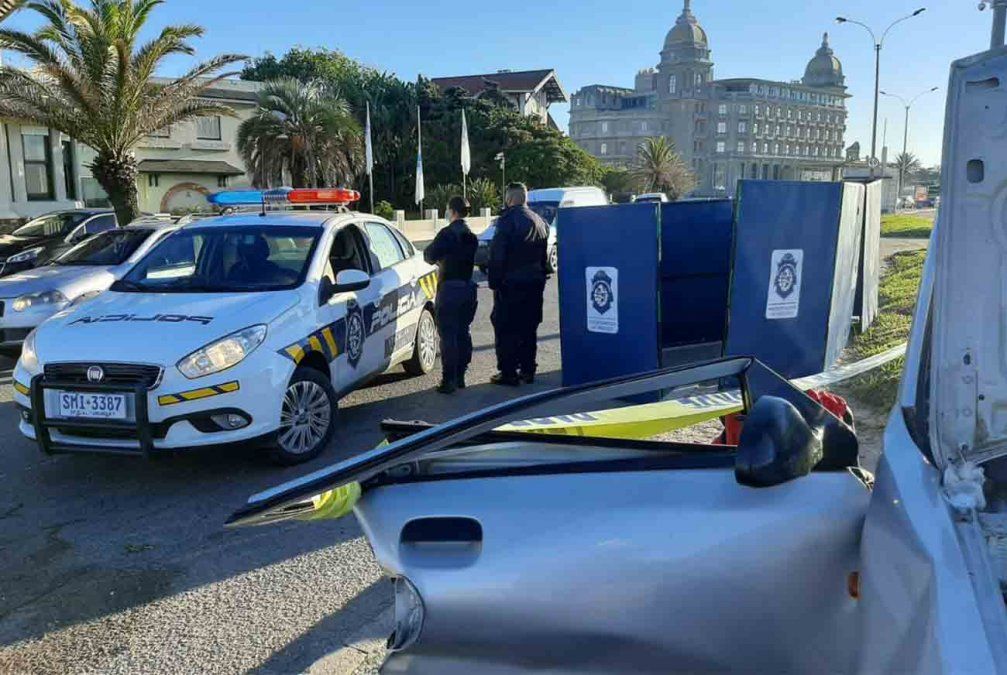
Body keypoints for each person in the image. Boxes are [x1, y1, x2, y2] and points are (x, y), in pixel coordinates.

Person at [488, 183, 549, 386]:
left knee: (506, 328)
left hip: (511, 284)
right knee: (528, 328)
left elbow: (497, 255)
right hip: (534, 283)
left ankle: (508, 372)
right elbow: (544, 257)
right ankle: (528, 369)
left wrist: (494, 282)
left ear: (509, 198)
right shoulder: (539, 221)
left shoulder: (507, 221)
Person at [424, 195, 478, 394]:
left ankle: (449, 380)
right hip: (468, 287)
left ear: (452, 211)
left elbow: (429, 255)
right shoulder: (471, 234)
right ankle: (461, 375)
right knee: (464, 332)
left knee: (448, 335)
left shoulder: (447, 233)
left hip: (450, 289)